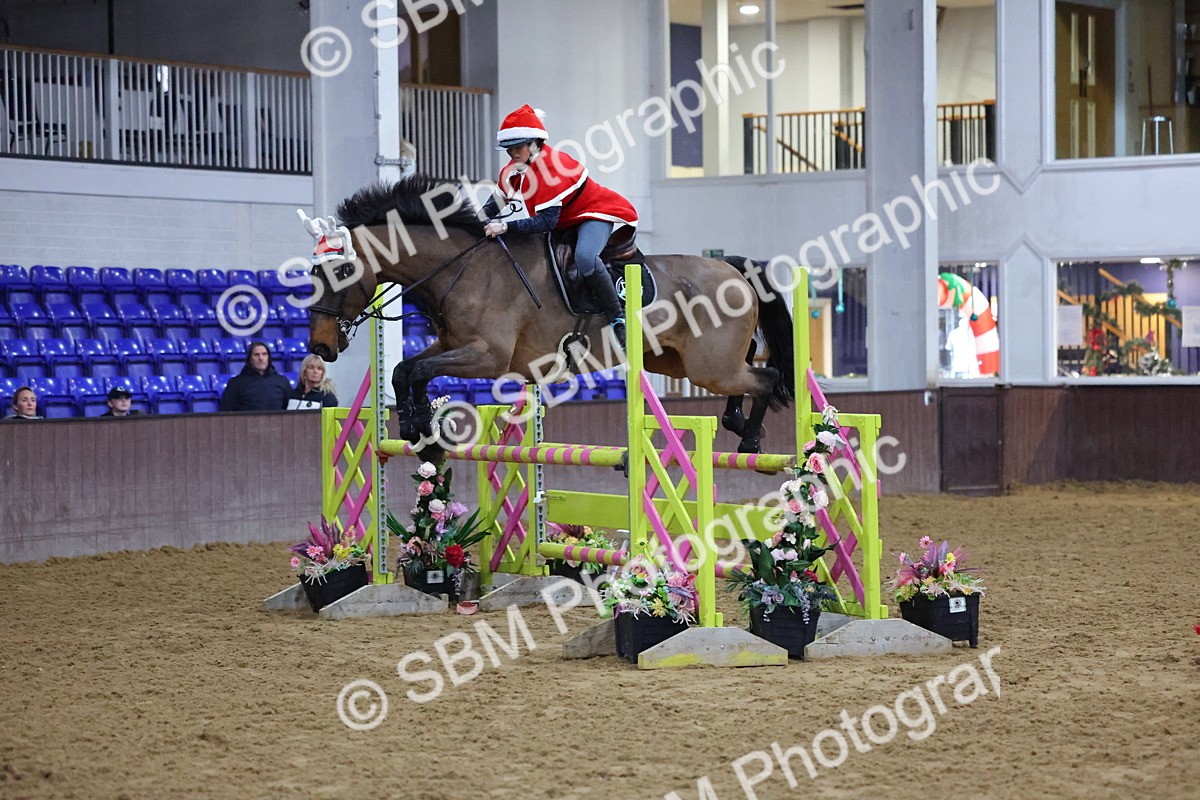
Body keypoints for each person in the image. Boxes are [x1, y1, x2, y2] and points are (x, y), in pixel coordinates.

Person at [481, 104, 638, 347]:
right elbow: (494, 206)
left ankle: (616, 316)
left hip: (593, 214)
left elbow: (545, 222)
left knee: (585, 257)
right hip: (563, 221)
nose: (511, 153)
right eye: (508, 148)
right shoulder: (514, 170)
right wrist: (473, 222)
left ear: (535, 144)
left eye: (517, 147)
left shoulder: (552, 166)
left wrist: (505, 227)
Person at [219, 341, 292, 412]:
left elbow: (290, 412)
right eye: (256, 355)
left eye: (264, 354)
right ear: (249, 359)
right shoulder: (235, 383)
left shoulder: (282, 382)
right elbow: (226, 414)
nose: (261, 358)